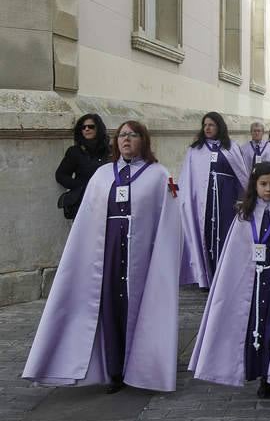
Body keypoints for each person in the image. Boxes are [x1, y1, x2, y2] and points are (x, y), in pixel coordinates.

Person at [24, 121, 181, 393]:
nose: (126, 140)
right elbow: (88, 219)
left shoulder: (157, 175)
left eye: (132, 135)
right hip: (106, 255)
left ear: (143, 140)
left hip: (141, 259)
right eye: (122, 135)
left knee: (138, 309)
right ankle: (114, 370)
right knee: (109, 309)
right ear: (115, 141)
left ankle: (141, 367)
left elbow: (167, 222)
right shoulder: (102, 175)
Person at [189, 162, 270, 398]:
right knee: (256, 330)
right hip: (252, 282)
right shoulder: (245, 212)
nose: (268, 189)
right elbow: (235, 252)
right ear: (255, 185)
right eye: (263, 184)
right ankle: (264, 377)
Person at [179, 112, 249, 289]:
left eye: (211, 125)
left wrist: (244, 198)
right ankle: (206, 275)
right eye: (205, 125)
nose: (207, 128)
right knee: (206, 234)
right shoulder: (195, 150)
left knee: (226, 233)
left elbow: (241, 174)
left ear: (219, 126)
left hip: (227, 198)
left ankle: (225, 275)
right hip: (205, 201)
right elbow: (188, 178)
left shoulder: (231, 147)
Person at [55, 113, 112, 219]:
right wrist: (82, 186)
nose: (86, 129)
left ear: (98, 128)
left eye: (91, 126)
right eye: (83, 127)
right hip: (84, 202)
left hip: (107, 200)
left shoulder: (109, 151)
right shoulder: (75, 152)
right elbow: (61, 175)